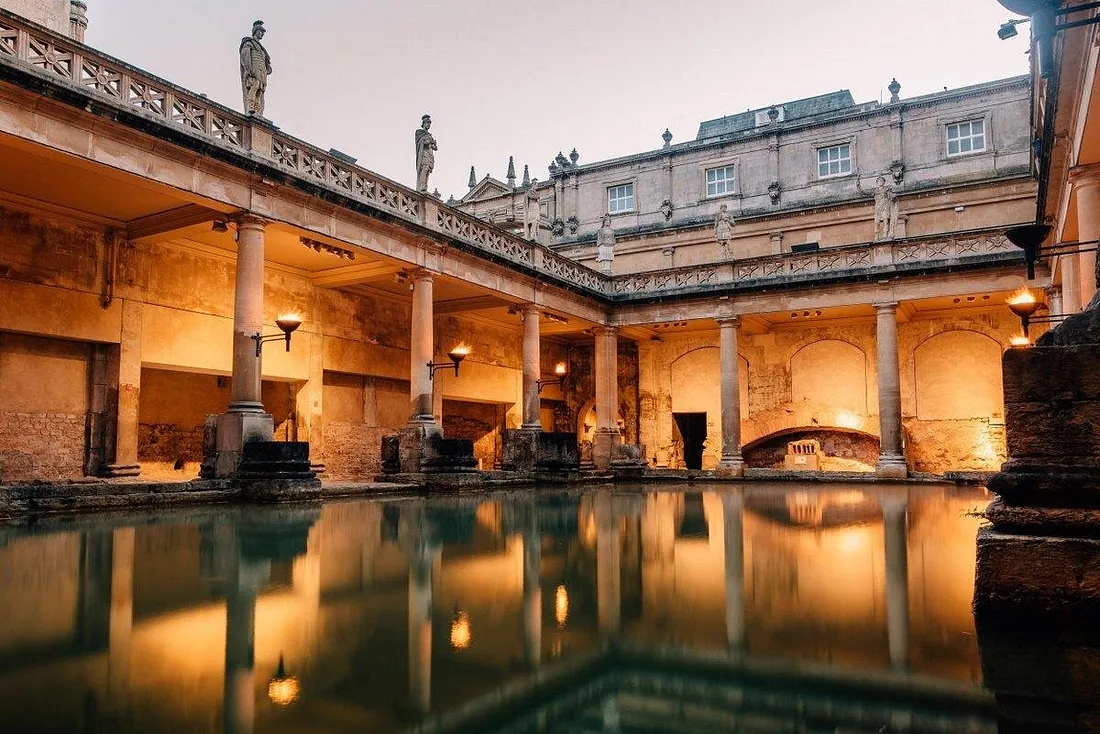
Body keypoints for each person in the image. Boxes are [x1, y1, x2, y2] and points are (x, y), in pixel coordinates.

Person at [240, 20, 272, 117]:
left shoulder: (261, 48)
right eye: (260, 31)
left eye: (263, 32)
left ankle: (258, 111)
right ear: (255, 31)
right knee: (254, 87)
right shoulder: (249, 42)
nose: (262, 34)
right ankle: (250, 108)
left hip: (262, 70)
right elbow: (245, 55)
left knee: (260, 91)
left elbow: (265, 61)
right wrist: (248, 68)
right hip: (254, 69)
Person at [415, 115, 437, 192]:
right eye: (427, 123)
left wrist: (434, 144)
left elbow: (435, 148)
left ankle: (425, 186)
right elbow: (421, 142)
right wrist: (428, 142)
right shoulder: (419, 132)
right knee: (424, 168)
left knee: (428, 170)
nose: (428, 125)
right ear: (423, 123)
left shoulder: (429, 135)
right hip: (424, 153)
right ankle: (421, 186)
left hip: (430, 154)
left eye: (429, 123)